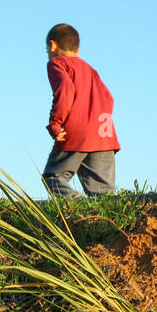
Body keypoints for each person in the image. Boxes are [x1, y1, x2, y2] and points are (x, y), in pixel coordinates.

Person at [42, 22, 120, 198]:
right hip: (104, 133)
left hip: (76, 132)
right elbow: (108, 98)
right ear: (77, 52)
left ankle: (75, 204)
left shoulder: (57, 63)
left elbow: (65, 90)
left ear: (52, 45)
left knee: (53, 177)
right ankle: (103, 222)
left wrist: (55, 123)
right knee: (103, 195)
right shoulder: (89, 68)